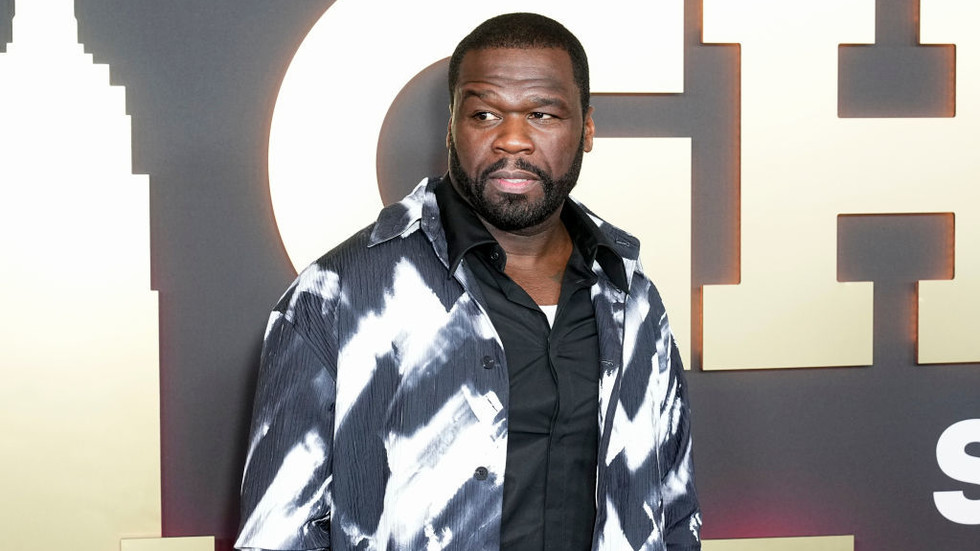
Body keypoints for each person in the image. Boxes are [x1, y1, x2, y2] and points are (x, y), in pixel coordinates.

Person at [235, 12, 700, 551]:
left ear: (587, 128)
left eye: (542, 114)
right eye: (484, 114)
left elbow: (674, 510)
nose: (513, 140)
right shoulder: (337, 296)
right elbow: (278, 535)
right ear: (452, 126)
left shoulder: (632, 297)